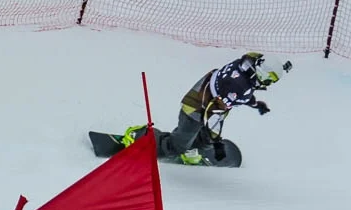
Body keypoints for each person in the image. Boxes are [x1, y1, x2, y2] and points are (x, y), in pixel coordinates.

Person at [123, 52, 291, 164]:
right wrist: (217, 142)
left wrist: (255, 104)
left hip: (209, 99)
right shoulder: (237, 85)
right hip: (196, 107)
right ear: (262, 72)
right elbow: (212, 115)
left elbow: (239, 96)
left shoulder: (249, 63)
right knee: (177, 145)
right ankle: (139, 137)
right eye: (270, 79)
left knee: (205, 139)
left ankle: (191, 149)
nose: (270, 84)